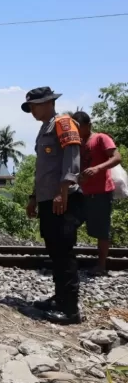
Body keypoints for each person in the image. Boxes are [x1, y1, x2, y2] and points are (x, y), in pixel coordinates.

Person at [23, 87, 85, 325]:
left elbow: (72, 156)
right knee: (55, 252)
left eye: (35, 106)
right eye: (30, 107)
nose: (32, 111)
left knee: (63, 252)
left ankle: (70, 309)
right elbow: (44, 168)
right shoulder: (45, 128)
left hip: (62, 199)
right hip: (48, 198)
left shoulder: (63, 122)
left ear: (49, 102)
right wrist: (33, 196)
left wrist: (64, 191)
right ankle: (60, 298)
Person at [72, 111, 121, 275]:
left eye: (80, 128)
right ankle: (66, 260)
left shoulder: (100, 138)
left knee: (101, 230)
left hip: (101, 192)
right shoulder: (77, 143)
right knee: (70, 223)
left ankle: (101, 266)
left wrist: (97, 168)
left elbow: (116, 157)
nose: (78, 132)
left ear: (89, 126)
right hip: (82, 192)